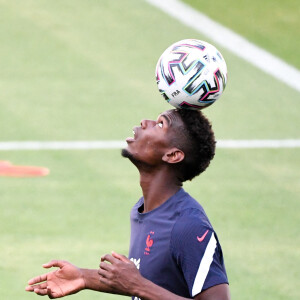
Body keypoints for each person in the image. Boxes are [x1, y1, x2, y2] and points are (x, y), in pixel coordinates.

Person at [26, 109, 230, 299]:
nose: (144, 122)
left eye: (160, 124)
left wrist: (137, 285)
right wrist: (84, 277)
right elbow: (154, 283)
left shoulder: (188, 226)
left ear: (173, 155)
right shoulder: (143, 209)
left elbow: (139, 284)